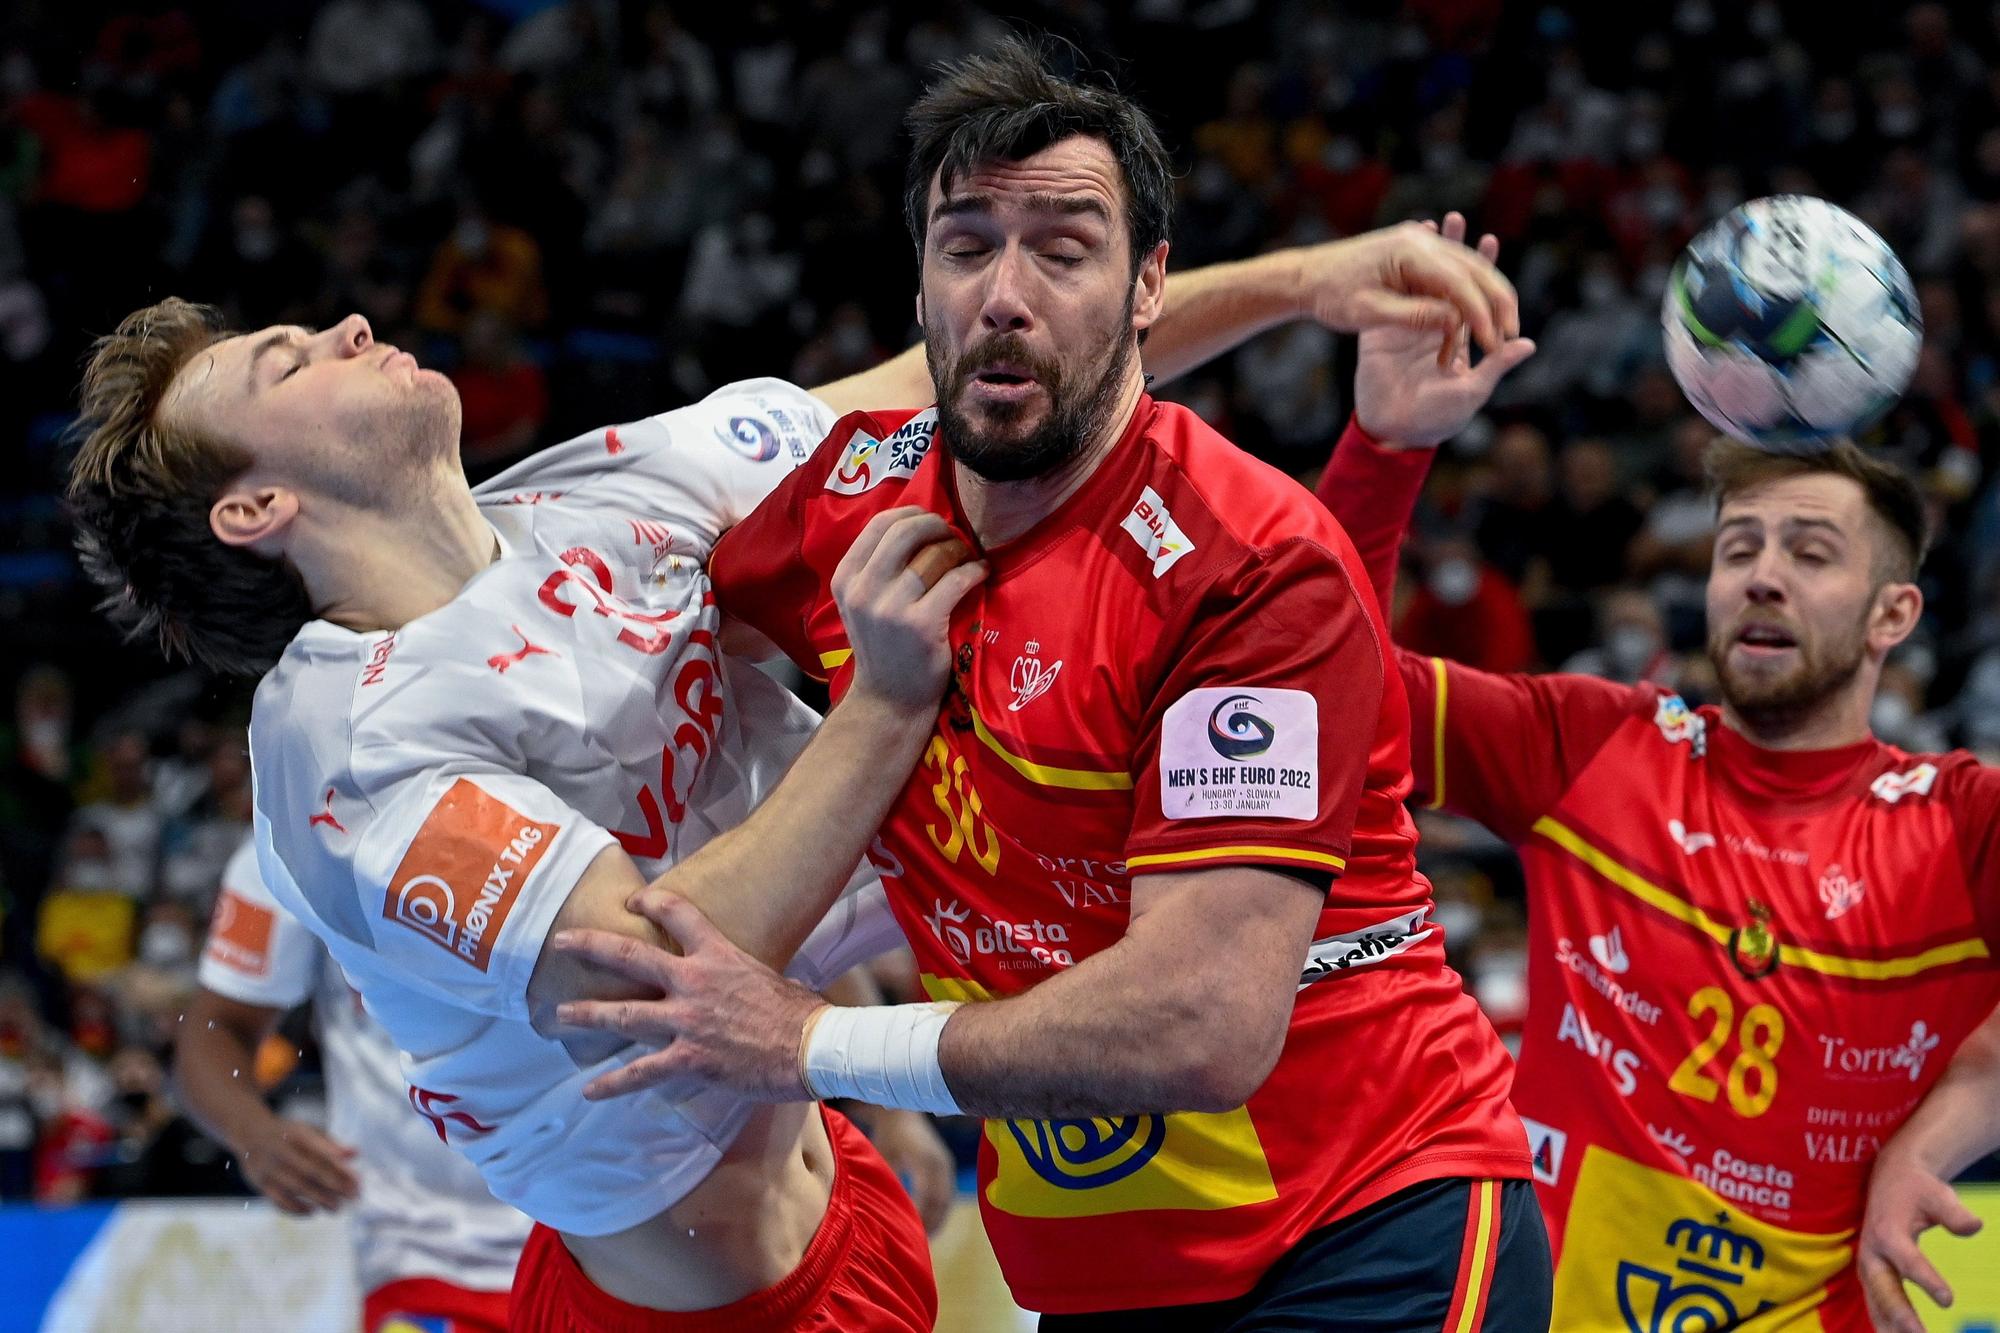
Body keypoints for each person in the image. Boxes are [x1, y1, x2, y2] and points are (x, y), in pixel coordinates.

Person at [64, 198, 1520, 1332]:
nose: (346, 324)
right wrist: (886, 706)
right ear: (256, 504)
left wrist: (1315, 285)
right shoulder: (339, 745)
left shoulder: (596, 490)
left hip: (848, 1206)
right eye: (288, 358)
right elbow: (640, 971)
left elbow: (954, 387)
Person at [553, 42, 1551, 1330]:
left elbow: (1200, 1021)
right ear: (919, 278)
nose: (1003, 295)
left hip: (1367, 1219)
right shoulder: (842, 500)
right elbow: (649, 660)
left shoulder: (1246, 560)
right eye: (964, 247)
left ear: (1148, 289)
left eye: (1063, 249)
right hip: (1102, 1268)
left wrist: (804, 1039)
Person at [1312, 213, 2000, 1331]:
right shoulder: (1592, 744)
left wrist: (1931, 1141)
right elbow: (1312, 691)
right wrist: (1384, 447)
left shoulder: (1960, 824)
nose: (1760, 578)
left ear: (1894, 615)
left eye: (1808, 553)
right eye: (1738, 549)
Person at [178, 836, 531, 1332]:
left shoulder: (582, 788)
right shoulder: (288, 838)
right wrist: (252, 1131)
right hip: (420, 1254)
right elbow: (216, 1025)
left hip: (603, 1233)